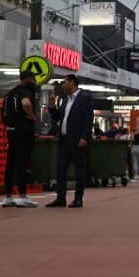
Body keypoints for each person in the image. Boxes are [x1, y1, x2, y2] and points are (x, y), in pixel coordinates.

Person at [48, 75, 92, 208]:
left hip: (77, 140)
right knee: (61, 169)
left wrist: (84, 137)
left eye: (64, 82)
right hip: (64, 140)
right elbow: (58, 117)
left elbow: (88, 119)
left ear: (72, 82)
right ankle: (60, 198)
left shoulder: (84, 98)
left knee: (79, 170)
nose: (62, 85)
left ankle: (78, 199)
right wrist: (51, 105)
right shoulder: (65, 100)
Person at [1, 71, 39, 208]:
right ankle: (23, 196)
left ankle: (8, 197)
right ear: (28, 79)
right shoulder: (24, 91)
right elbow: (26, 104)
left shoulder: (10, 93)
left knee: (10, 164)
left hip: (11, 131)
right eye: (33, 79)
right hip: (23, 132)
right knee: (22, 164)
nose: (34, 82)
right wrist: (32, 116)